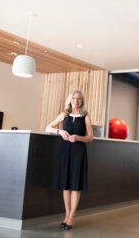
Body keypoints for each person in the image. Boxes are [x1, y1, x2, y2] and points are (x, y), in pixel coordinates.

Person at [45, 90, 94, 230]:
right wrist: (59, 131)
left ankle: (72, 216)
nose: (76, 100)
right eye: (73, 98)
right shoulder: (64, 115)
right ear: (70, 100)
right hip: (64, 152)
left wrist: (79, 138)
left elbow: (91, 137)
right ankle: (66, 215)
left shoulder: (85, 116)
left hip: (78, 152)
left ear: (82, 101)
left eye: (78, 99)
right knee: (65, 184)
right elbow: (48, 127)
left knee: (75, 185)